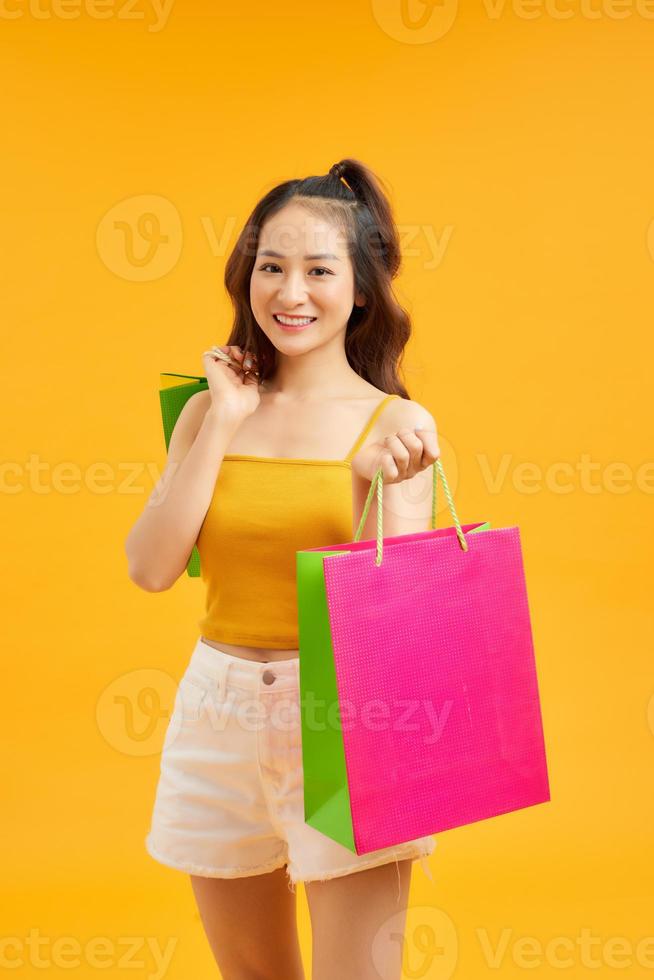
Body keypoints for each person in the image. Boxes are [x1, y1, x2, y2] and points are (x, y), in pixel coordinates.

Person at [125, 158, 442, 980]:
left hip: (349, 715)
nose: (289, 292)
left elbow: (405, 625)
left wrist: (368, 483)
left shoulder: (396, 422)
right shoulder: (207, 407)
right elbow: (153, 567)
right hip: (216, 711)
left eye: (318, 269)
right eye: (271, 266)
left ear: (361, 290)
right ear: (247, 274)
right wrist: (223, 421)